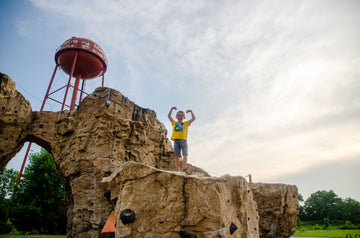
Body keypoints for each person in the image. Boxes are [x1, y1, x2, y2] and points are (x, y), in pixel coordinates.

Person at [168, 106, 196, 172]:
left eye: (181, 116)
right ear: (176, 117)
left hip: (183, 140)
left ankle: (184, 168)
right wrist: (171, 109)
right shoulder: (174, 123)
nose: (180, 117)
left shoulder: (186, 123)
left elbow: (193, 118)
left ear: (184, 117)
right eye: (178, 116)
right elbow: (169, 116)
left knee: (185, 154)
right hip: (176, 140)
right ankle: (177, 169)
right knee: (176, 155)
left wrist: (191, 112)